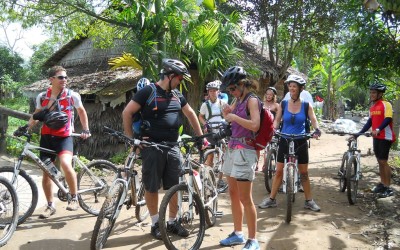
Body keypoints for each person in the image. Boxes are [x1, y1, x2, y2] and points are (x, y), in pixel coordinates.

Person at [122, 58, 205, 240]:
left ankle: (172, 222)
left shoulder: (176, 95)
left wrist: (199, 137)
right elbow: (127, 112)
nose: (180, 82)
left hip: (173, 146)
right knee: (152, 186)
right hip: (151, 146)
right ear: (170, 76)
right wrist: (132, 140)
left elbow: (190, 113)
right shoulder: (148, 91)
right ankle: (155, 223)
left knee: (174, 186)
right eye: (180, 79)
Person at [28, 65, 91, 218]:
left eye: (66, 77)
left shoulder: (72, 95)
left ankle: (74, 197)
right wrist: (27, 127)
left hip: (64, 137)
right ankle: (50, 205)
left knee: (65, 163)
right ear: (52, 79)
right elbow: (36, 115)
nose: (65, 80)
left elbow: (81, 111)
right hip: (47, 138)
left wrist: (86, 129)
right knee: (47, 172)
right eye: (61, 77)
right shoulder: (42, 97)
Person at [258, 74, 321, 212]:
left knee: (304, 173)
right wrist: (273, 129)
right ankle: (272, 199)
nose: (292, 89)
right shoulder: (284, 104)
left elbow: (313, 119)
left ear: (300, 89)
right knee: (279, 171)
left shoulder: (306, 105)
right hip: (285, 139)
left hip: (301, 140)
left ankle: (309, 200)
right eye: (290, 86)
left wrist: (316, 129)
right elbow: (277, 119)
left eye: (294, 86)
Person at [219, 66, 260, 250]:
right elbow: (229, 118)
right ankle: (238, 234)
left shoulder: (252, 100)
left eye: (233, 88)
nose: (232, 92)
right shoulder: (238, 99)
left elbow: (255, 125)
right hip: (232, 148)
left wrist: (234, 117)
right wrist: (227, 112)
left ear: (243, 84)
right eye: (229, 90)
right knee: (233, 194)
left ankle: (253, 240)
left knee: (245, 197)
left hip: (246, 150)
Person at [353, 82, 395, 198]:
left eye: (374, 93)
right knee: (380, 161)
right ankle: (382, 183)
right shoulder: (372, 108)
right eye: (371, 92)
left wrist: (378, 129)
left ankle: (388, 187)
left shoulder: (386, 104)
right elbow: (369, 122)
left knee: (383, 161)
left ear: (380, 94)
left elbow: (388, 119)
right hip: (376, 137)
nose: (371, 94)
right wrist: (358, 134)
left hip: (385, 137)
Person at [198, 80, 228, 192]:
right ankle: (208, 178)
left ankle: (220, 179)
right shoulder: (205, 105)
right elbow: (200, 116)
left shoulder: (223, 104)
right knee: (209, 156)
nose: (213, 92)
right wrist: (205, 124)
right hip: (210, 132)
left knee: (223, 155)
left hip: (221, 131)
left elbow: (228, 115)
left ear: (218, 91)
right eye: (210, 91)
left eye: (215, 90)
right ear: (208, 92)